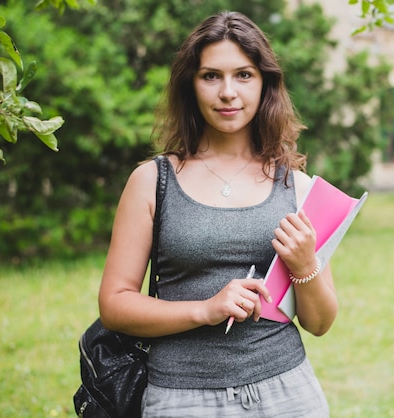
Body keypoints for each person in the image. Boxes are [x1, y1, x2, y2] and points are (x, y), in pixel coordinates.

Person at [97, 10, 338, 417]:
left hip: (287, 394)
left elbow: (319, 322)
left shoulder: (296, 186)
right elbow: (114, 304)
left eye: (244, 75)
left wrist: (305, 265)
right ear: (191, 85)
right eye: (211, 76)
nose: (228, 92)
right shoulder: (152, 181)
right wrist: (206, 309)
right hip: (181, 397)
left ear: (265, 84)